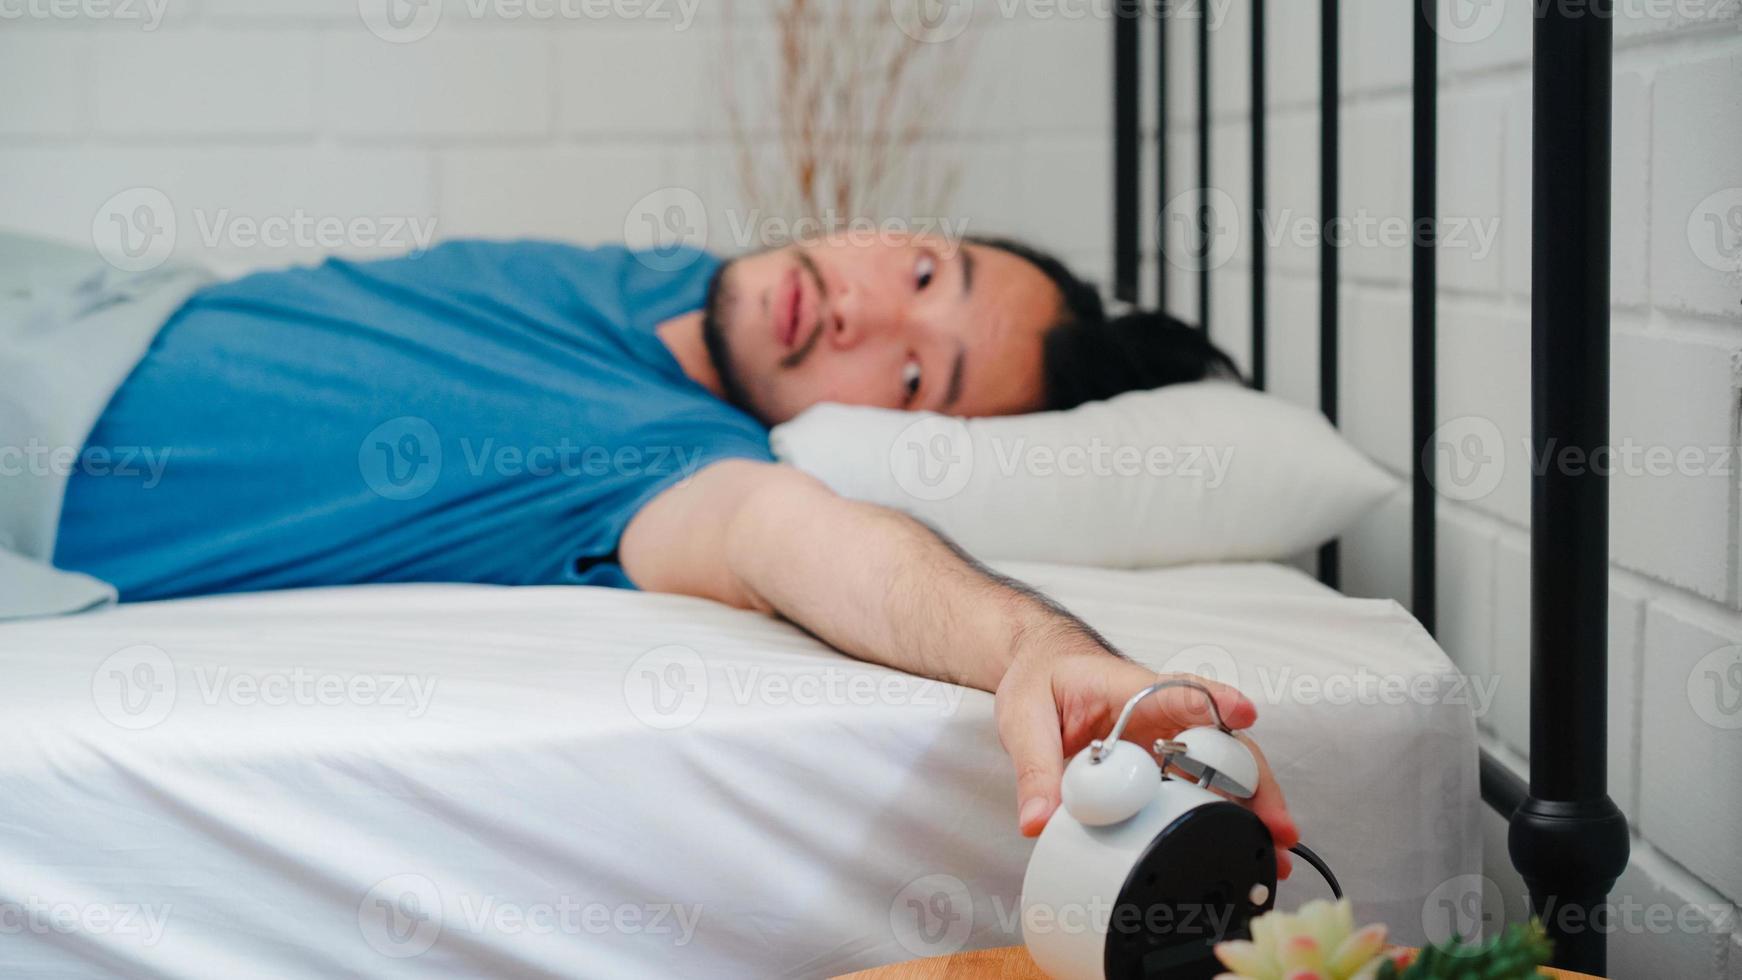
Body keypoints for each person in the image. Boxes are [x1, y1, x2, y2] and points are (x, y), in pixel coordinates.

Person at [49, 233, 1296, 866]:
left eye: (912, 374)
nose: (862, 306)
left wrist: (1031, 645)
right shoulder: (666, 276)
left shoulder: (676, 462)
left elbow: (800, 542)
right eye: (921, 265)